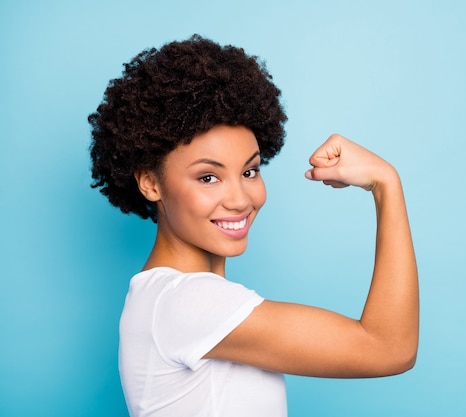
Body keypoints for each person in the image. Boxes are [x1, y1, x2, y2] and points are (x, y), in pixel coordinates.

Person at [88, 34, 419, 417]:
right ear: (150, 182)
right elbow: (388, 348)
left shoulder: (163, 298)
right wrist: (385, 184)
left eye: (249, 171)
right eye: (208, 177)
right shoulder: (186, 302)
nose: (241, 199)